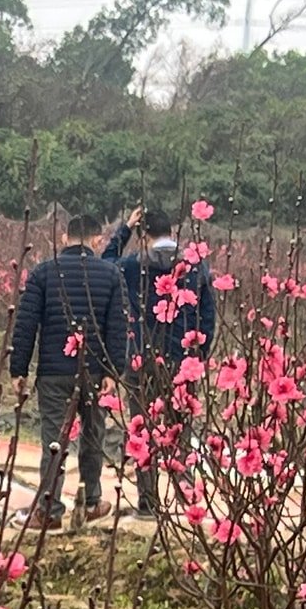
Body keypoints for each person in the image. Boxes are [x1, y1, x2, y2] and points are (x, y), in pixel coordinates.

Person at [8, 212, 132, 529]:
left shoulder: (42, 273)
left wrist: (18, 369)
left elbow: (25, 325)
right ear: (96, 241)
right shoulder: (110, 274)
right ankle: (91, 501)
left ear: (64, 239)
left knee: (54, 440)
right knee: (93, 436)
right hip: (94, 371)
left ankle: (50, 511)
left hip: (52, 372)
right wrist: (113, 372)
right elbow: (118, 328)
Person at [103, 206, 216, 518]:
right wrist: (199, 356)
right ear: (172, 232)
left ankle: (148, 503)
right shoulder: (195, 265)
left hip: (142, 358)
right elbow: (208, 316)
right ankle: (186, 495)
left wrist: (124, 230)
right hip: (183, 361)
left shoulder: (131, 264)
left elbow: (103, 265)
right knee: (181, 428)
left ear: (145, 234)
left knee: (143, 431)